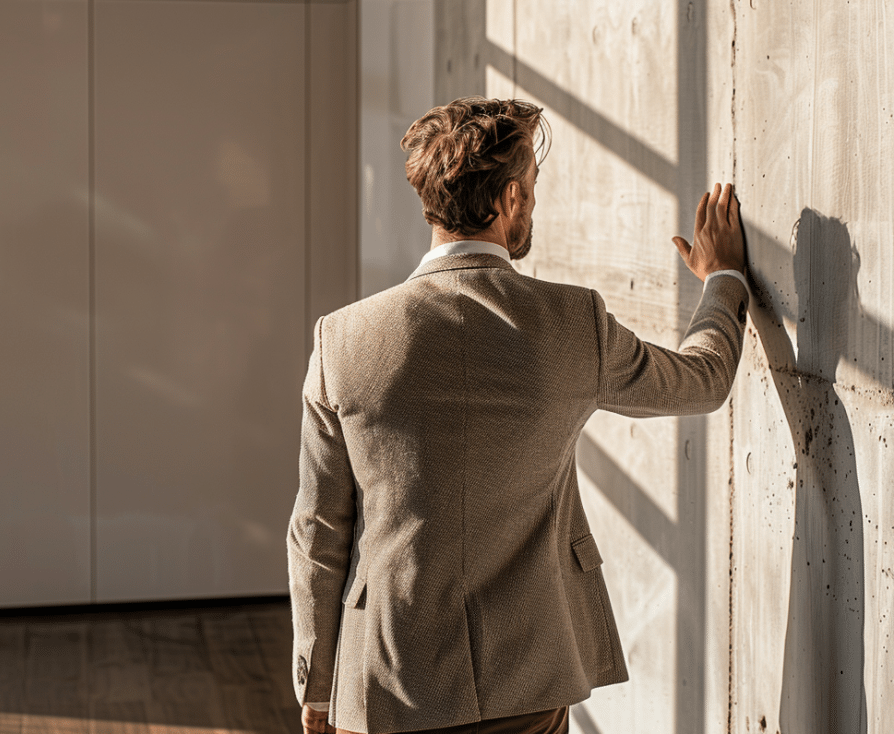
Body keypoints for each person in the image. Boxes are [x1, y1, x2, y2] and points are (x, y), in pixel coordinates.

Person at [287, 97, 748, 734]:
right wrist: (723, 278)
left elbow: (317, 529)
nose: (534, 201)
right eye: (531, 186)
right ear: (508, 200)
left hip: (390, 681)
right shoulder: (572, 324)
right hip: (526, 679)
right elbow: (702, 380)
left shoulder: (341, 340)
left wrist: (317, 685)